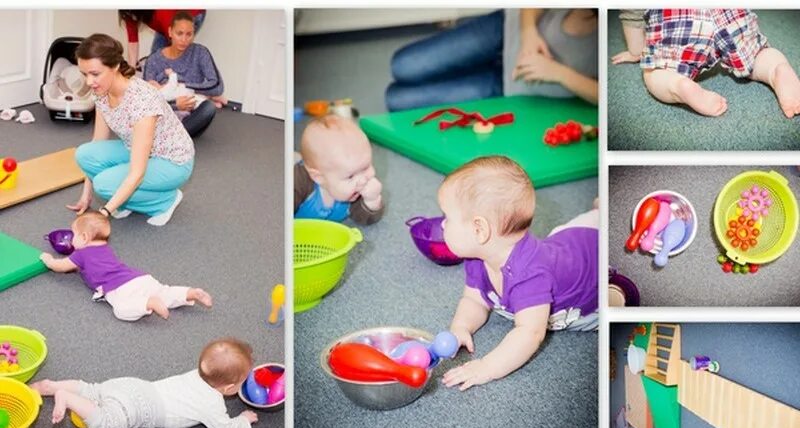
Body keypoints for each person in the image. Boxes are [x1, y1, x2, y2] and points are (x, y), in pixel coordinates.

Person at [437, 156, 598, 391]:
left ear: (479, 230)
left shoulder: (530, 276)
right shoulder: (477, 257)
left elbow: (530, 333)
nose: (442, 225)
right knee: (564, 233)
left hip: (594, 270)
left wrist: (486, 367)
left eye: (447, 218)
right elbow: (474, 300)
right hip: (564, 243)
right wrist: (461, 327)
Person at [71, 33, 194, 226]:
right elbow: (97, 144)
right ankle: (126, 199)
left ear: (115, 66)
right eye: (84, 74)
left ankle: (165, 201)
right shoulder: (101, 93)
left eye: (95, 74)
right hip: (137, 149)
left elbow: (137, 172)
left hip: (172, 162)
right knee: (84, 154)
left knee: (103, 185)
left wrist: (103, 213)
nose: (88, 82)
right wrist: (86, 195)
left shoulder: (142, 99)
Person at [30, 338, 258, 428]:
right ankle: (65, 397)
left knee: (93, 390)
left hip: (132, 385)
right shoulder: (212, 403)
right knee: (106, 422)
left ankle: (52, 386)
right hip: (141, 407)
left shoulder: (197, 372)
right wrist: (244, 420)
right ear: (229, 388)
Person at [386, 9, 598, 111]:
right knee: (402, 64)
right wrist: (528, 32)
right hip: (502, 30)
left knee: (397, 101)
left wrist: (559, 73)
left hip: (511, 85)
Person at [612, 9, 800, 118]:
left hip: (678, 18)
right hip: (729, 13)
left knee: (654, 72)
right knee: (757, 55)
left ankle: (677, 84)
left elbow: (632, 14)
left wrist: (635, 51)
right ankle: (776, 69)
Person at [39, 211, 212, 321]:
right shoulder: (105, 248)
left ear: (84, 237)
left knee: (121, 310)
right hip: (140, 278)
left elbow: (61, 266)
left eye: (74, 234)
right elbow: (92, 266)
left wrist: (48, 259)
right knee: (164, 292)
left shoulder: (80, 254)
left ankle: (148, 303)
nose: (71, 239)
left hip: (120, 288)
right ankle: (190, 293)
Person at [143, 11, 225, 138]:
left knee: (209, 108)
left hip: (192, 114)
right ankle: (177, 136)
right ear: (170, 32)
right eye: (179, 33)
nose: (184, 40)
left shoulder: (201, 52)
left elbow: (217, 86)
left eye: (189, 34)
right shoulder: (154, 60)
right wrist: (175, 104)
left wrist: (183, 85)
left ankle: (173, 136)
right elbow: (146, 99)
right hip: (165, 113)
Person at [294, 115, 384, 225]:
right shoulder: (298, 183)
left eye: (366, 167)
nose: (362, 180)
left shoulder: (355, 189)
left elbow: (364, 219)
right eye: (350, 176)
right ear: (319, 178)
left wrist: (372, 201)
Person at [119, 9, 206, 67]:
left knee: (167, 61)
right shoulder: (129, 12)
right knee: (155, 59)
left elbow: (176, 45)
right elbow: (132, 41)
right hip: (166, 20)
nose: (132, 18)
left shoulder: (162, 12)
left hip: (193, 12)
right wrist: (131, 71)